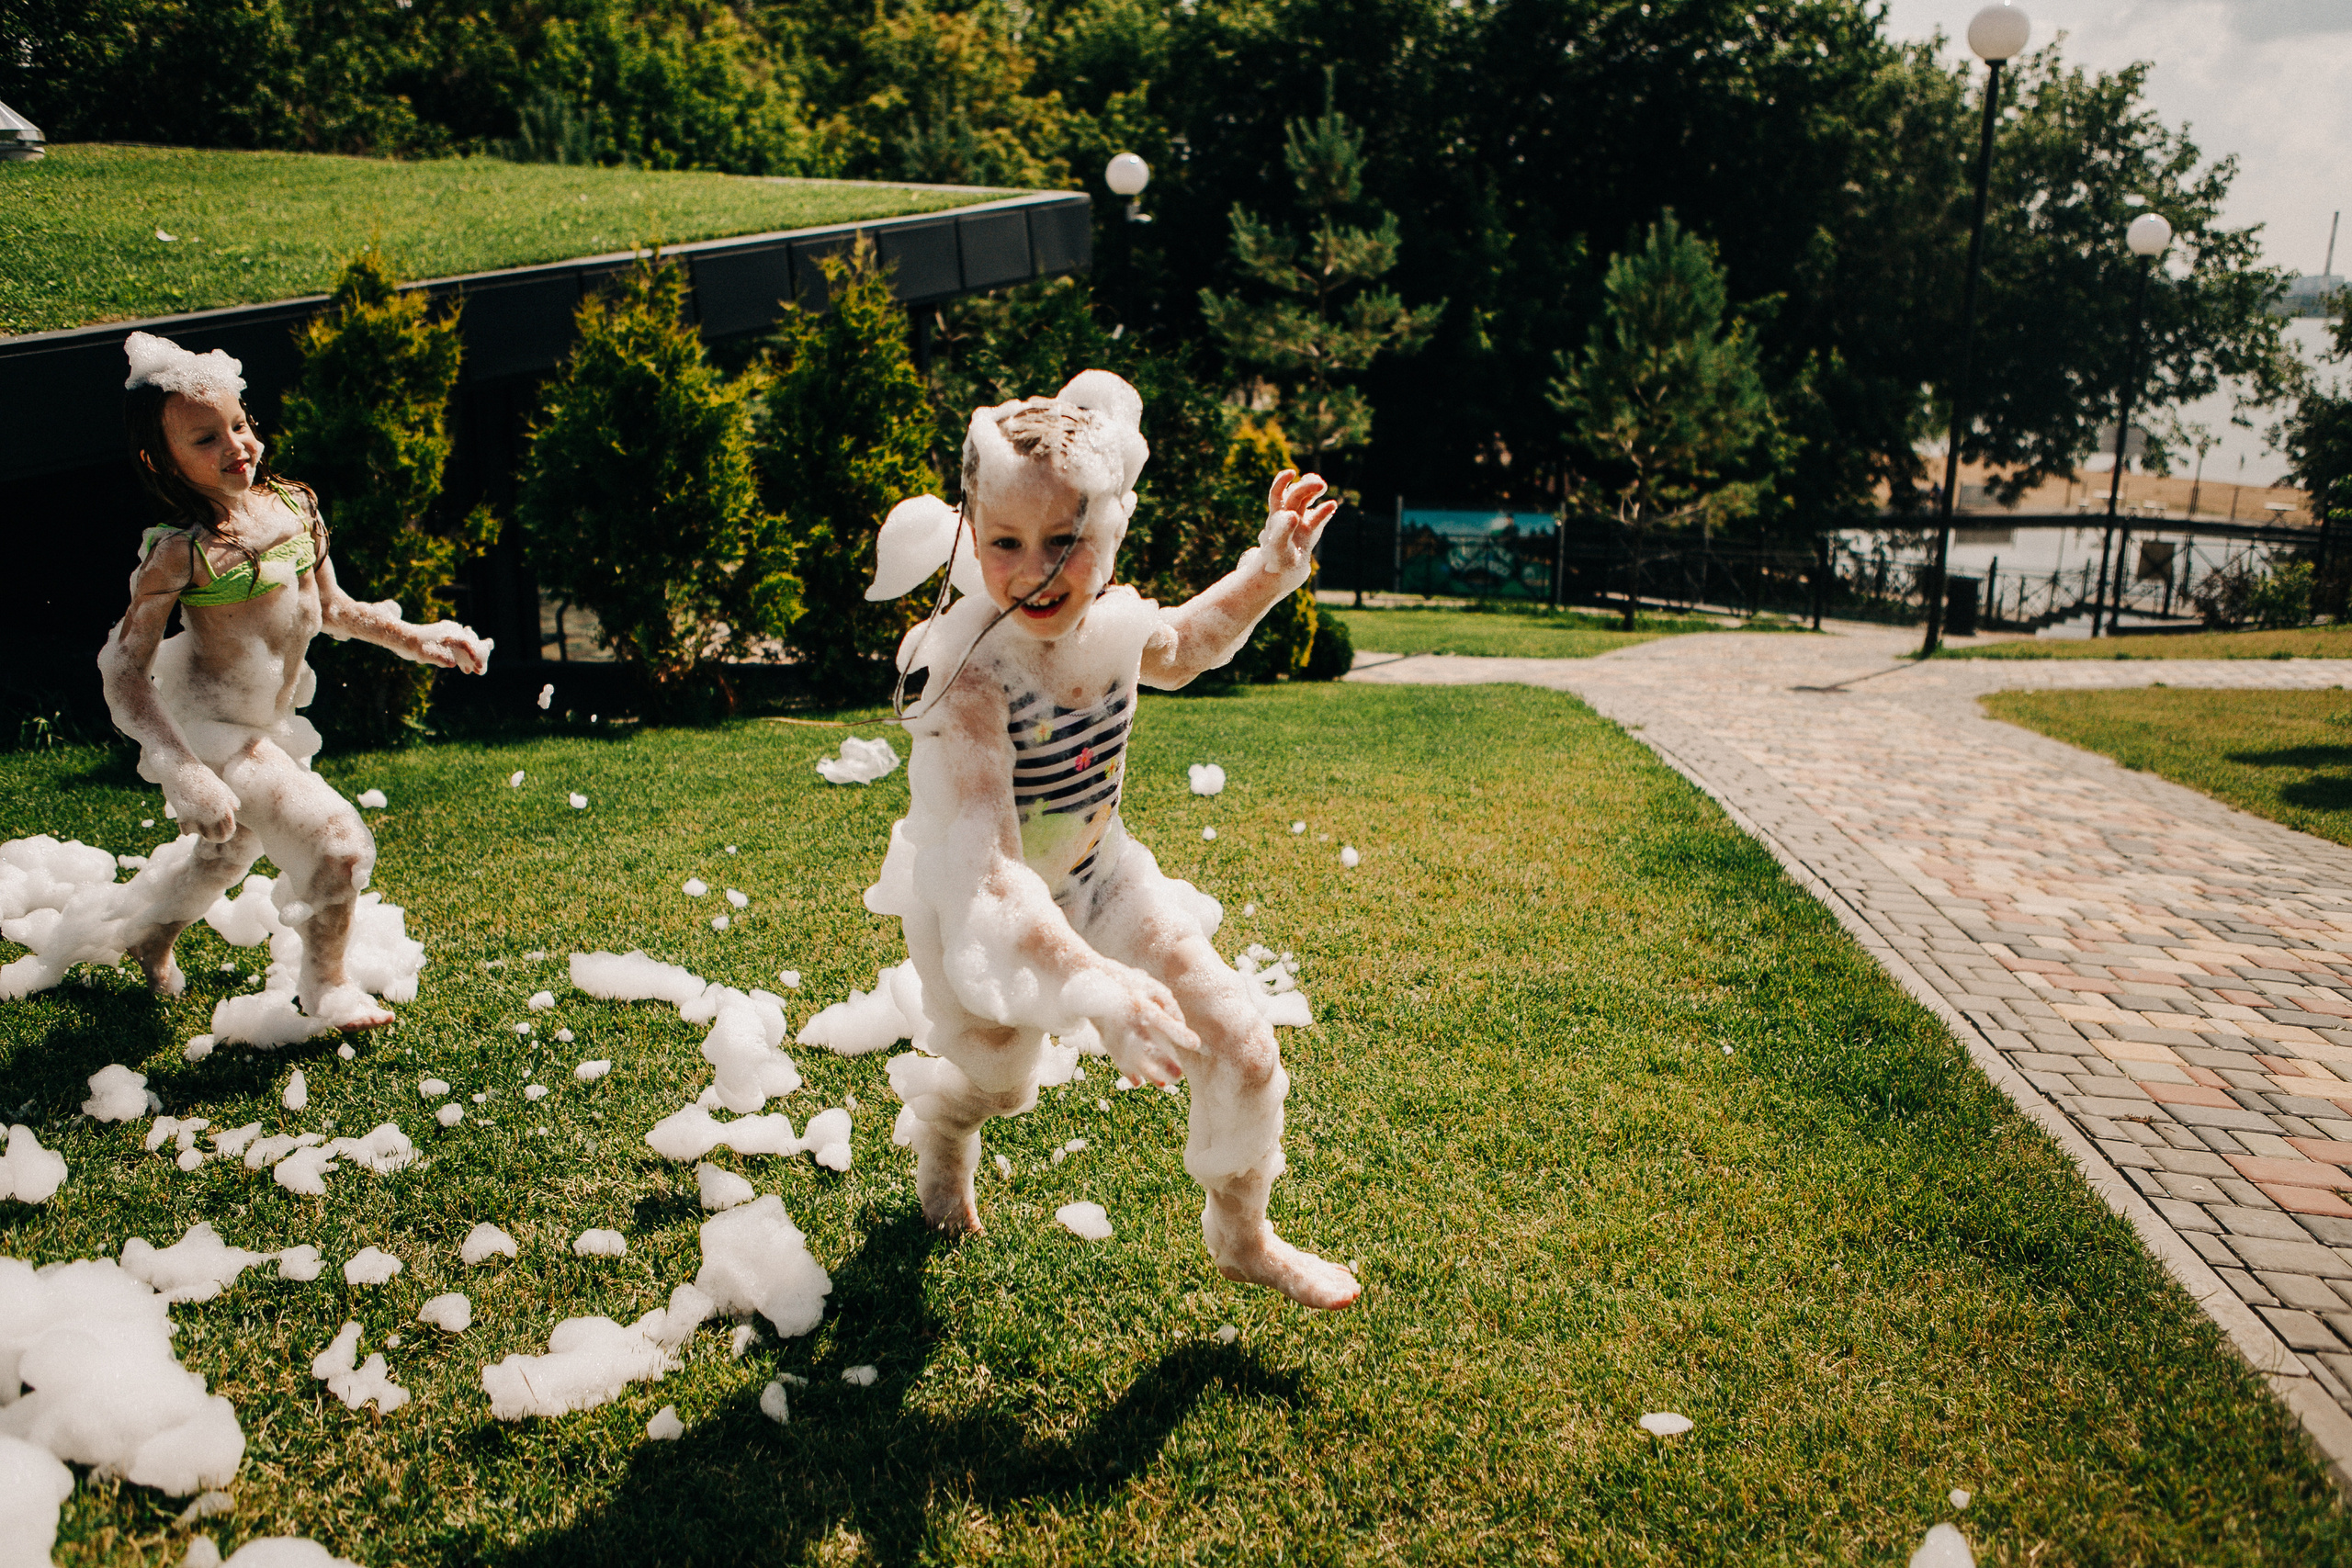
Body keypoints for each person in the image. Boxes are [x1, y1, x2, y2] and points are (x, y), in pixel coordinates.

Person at [865, 370, 1358, 1310]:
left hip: (1102, 878)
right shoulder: (967, 674)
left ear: (1107, 533)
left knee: (1245, 1044)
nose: (1037, 567)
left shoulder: (1113, 624)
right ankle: (944, 1129)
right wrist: (1096, 985)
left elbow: (1187, 645)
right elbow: (988, 869)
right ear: (970, 537)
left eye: (1065, 540)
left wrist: (1272, 567)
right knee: (1002, 1079)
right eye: (1005, 542)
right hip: (980, 909)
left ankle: (1244, 1236)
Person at [94, 331, 490, 1030]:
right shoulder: (181, 552)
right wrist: (184, 770)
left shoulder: (296, 508)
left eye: (239, 426)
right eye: (205, 439)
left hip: (265, 725)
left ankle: (149, 934)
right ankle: (326, 984)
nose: (235, 446)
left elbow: (334, 610)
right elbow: (124, 673)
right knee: (336, 842)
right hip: (211, 728)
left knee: (227, 853)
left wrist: (417, 637)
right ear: (162, 459)